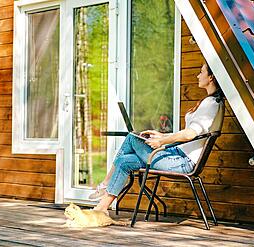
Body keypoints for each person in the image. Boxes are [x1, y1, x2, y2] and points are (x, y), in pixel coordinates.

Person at [91, 62, 225, 215]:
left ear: (211, 77)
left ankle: (106, 183)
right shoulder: (213, 102)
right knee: (124, 161)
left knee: (131, 138)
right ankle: (102, 208)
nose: (198, 75)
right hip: (177, 154)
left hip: (182, 161)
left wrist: (161, 141)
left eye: (201, 72)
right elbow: (191, 134)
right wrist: (162, 135)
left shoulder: (211, 104)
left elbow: (190, 134)